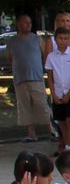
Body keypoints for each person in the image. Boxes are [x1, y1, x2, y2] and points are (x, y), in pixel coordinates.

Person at [10, 12, 53, 143]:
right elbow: (11, 57)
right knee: (24, 107)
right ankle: (31, 134)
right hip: (20, 79)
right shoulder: (12, 41)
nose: (28, 25)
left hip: (36, 78)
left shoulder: (37, 39)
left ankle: (53, 130)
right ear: (18, 24)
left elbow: (45, 55)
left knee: (42, 105)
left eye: (29, 22)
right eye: (25, 22)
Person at [44, 26, 70, 153]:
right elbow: (49, 76)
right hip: (58, 92)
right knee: (61, 121)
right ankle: (66, 144)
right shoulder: (51, 57)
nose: (63, 41)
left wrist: (69, 94)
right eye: (60, 38)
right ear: (55, 40)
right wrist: (53, 94)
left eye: (66, 38)